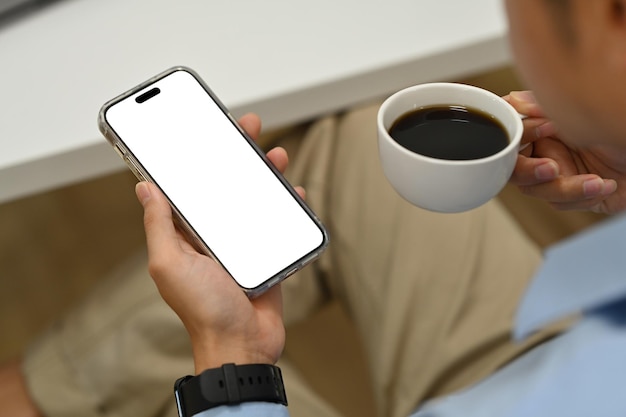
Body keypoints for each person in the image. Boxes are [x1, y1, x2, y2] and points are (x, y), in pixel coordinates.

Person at [1, 0, 624, 416]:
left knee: (204, 316)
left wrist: (231, 361)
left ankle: (37, 393)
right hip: (557, 356)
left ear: (604, 22)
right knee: (353, 134)